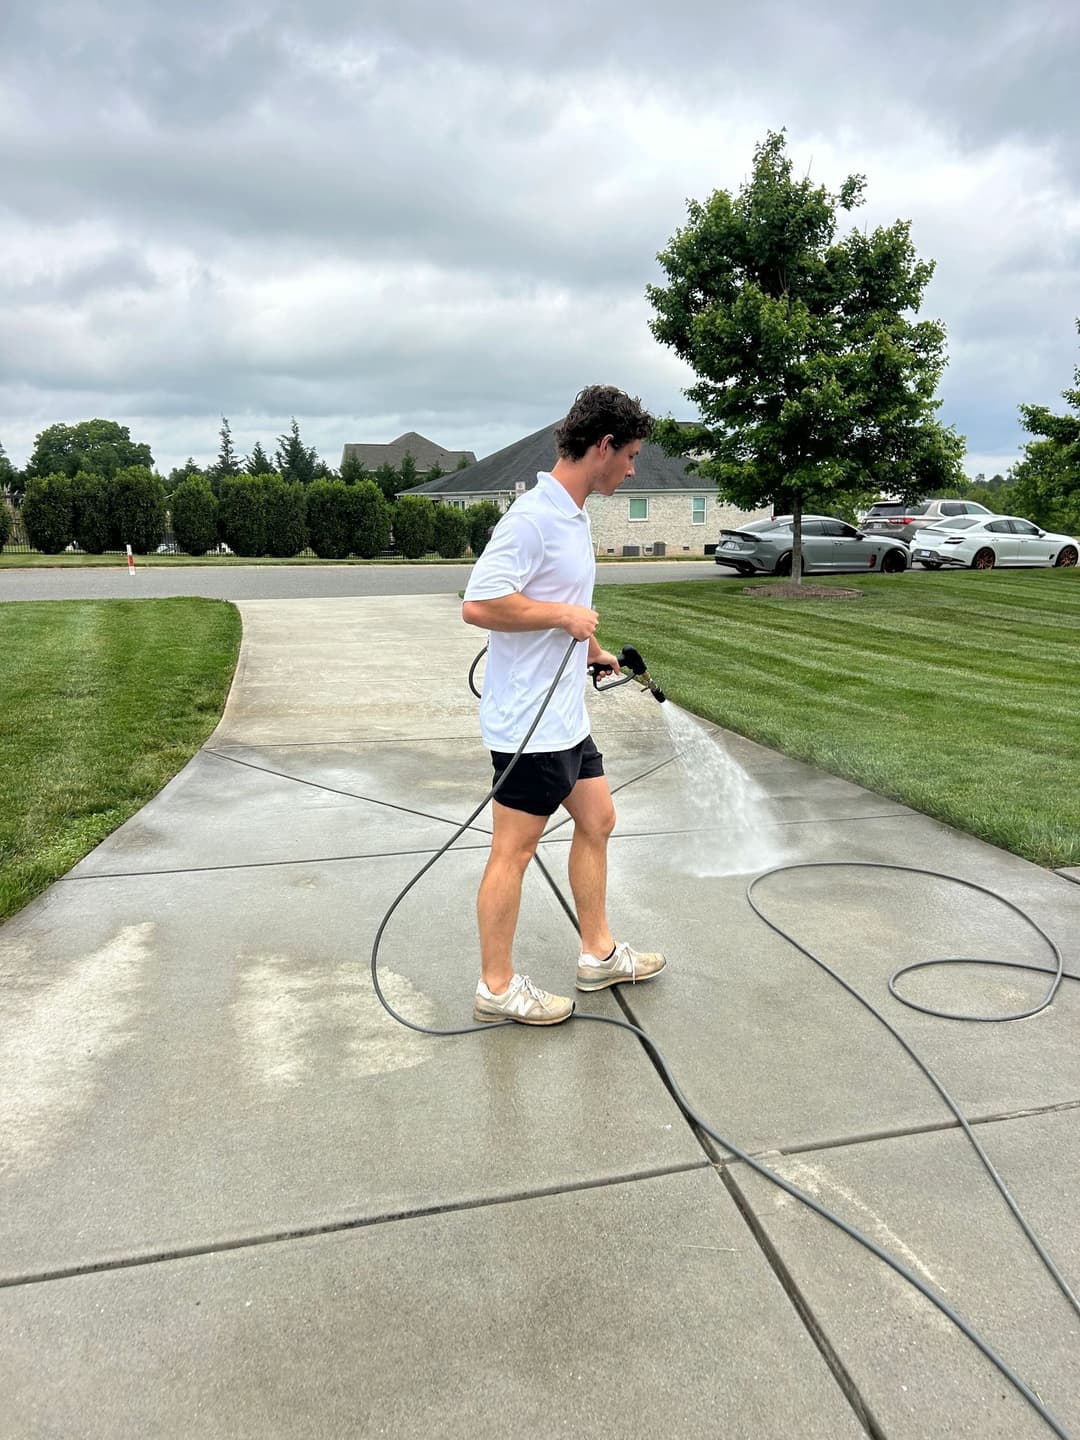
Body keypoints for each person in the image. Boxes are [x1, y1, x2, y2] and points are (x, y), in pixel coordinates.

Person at [461, 385, 667, 1025]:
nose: (632, 468)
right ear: (602, 446)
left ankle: (598, 954)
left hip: (565, 720)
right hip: (528, 723)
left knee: (598, 819)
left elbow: (561, 604)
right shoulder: (531, 518)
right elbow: (480, 603)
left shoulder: (573, 515)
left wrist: (593, 648)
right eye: (629, 454)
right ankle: (496, 988)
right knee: (513, 853)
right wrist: (564, 616)